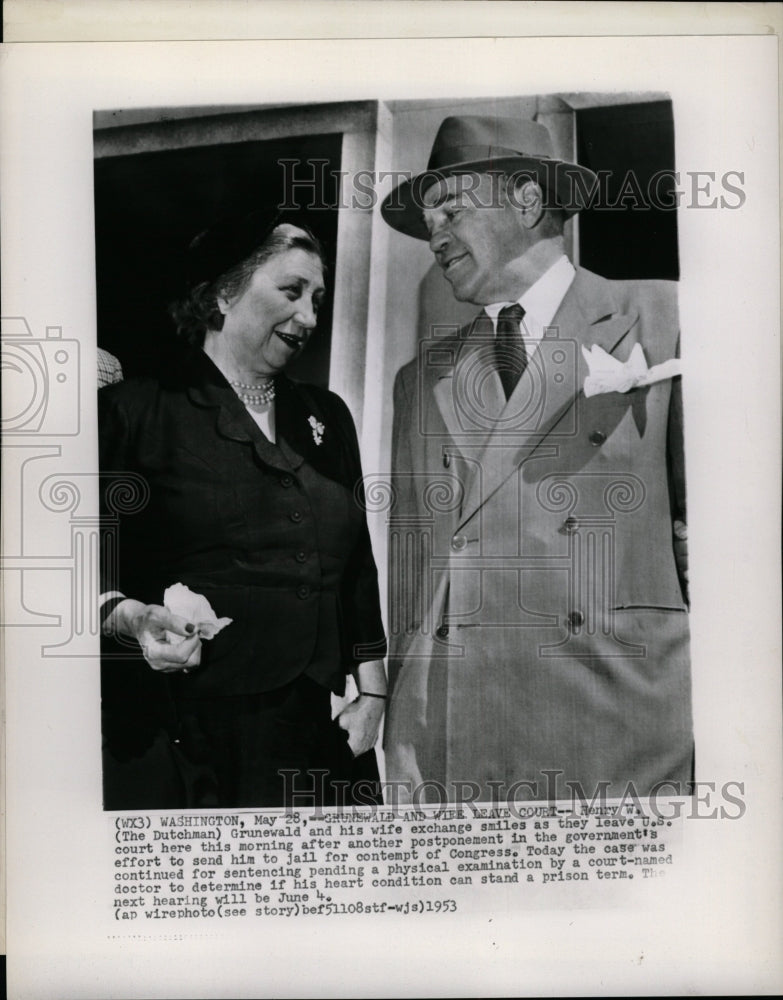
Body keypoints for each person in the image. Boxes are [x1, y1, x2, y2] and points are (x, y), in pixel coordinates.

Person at [380, 115, 691, 804]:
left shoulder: (664, 317)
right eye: (429, 218)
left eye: (450, 210)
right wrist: (400, 723)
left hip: (626, 724)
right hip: (459, 734)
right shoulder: (420, 377)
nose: (434, 235)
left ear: (525, 201)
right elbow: (413, 571)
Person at [98, 208, 387, 809]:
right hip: (187, 733)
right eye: (291, 291)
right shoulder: (135, 411)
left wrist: (373, 695)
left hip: (317, 730)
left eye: (317, 298)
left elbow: (356, 564)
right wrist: (131, 617)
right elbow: (76, 569)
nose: (308, 316)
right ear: (224, 294)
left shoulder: (326, 416)